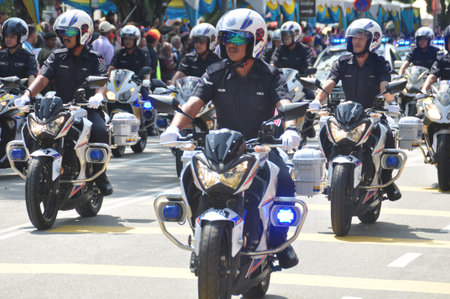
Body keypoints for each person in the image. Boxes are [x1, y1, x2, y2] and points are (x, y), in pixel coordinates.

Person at [160, 8, 301, 269]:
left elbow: (284, 103)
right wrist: (174, 128)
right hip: (221, 148)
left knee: (284, 180)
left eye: (237, 40)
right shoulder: (215, 72)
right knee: (190, 179)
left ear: (254, 41)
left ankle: (280, 243)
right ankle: (199, 237)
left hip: (261, 146)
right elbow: (193, 104)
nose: (230, 45)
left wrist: (291, 129)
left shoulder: (271, 74)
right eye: (226, 39)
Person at [14, 9, 113, 196]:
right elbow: (42, 78)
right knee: (31, 127)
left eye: (68, 33)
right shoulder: (57, 55)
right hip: (61, 109)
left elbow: (101, 81)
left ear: (83, 33)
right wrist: (27, 95)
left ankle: (100, 176)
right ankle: (34, 166)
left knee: (100, 130)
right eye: (61, 33)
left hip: (87, 108)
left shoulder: (96, 57)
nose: (63, 37)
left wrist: (98, 96)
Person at [309, 18, 402, 201]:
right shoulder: (343, 62)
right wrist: (316, 101)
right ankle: (332, 175)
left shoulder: (380, 63)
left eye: (361, 37)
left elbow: (385, 85)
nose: (356, 41)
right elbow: (329, 83)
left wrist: (392, 102)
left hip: (372, 114)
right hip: (346, 114)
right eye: (353, 37)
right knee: (324, 133)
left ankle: (387, 181)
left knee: (388, 134)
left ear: (373, 39)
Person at [0, 18, 37, 85]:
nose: (8, 39)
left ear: (21, 37)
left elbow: (31, 77)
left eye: (12, 37)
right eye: (6, 36)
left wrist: (29, 94)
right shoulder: (1, 55)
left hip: (21, 94)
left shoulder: (28, 57)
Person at [421, 26, 450, 92]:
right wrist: (424, 90)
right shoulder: (441, 60)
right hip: (444, 98)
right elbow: (432, 76)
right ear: (446, 43)